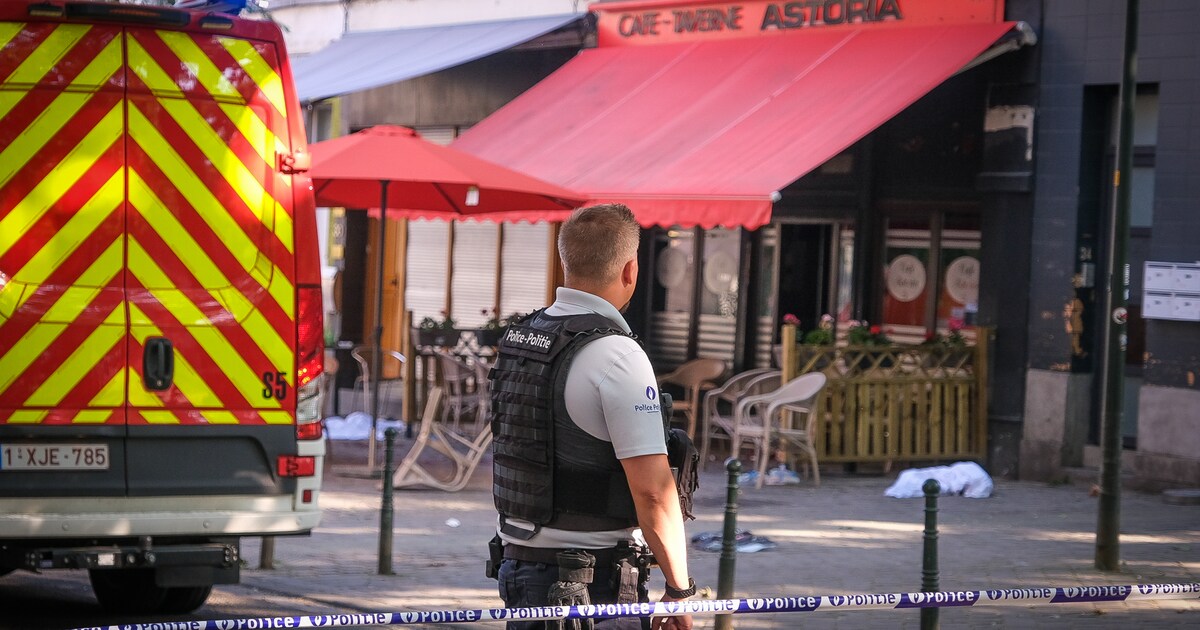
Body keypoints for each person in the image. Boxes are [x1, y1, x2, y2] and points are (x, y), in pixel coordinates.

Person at [488, 204, 694, 630]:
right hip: (592, 584)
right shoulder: (618, 355)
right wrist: (678, 590)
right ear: (631, 270)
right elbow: (654, 493)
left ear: (566, 262)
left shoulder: (523, 338)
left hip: (519, 568)